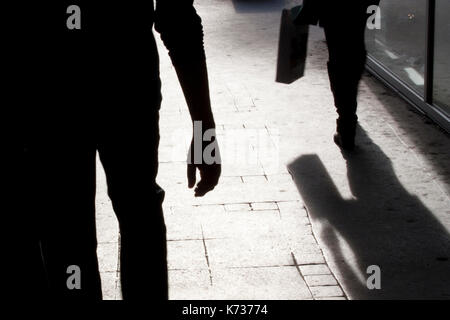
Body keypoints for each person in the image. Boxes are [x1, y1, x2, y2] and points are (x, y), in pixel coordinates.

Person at [21, 0, 220, 300]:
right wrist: (203, 126)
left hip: (51, 90)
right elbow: (177, 18)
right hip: (127, 84)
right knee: (139, 213)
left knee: (66, 227)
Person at [303, 0, 380, 150]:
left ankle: (346, 121)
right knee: (355, 50)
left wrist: (308, 11)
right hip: (358, 8)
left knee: (338, 59)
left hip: (333, 9)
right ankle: (348, 119)